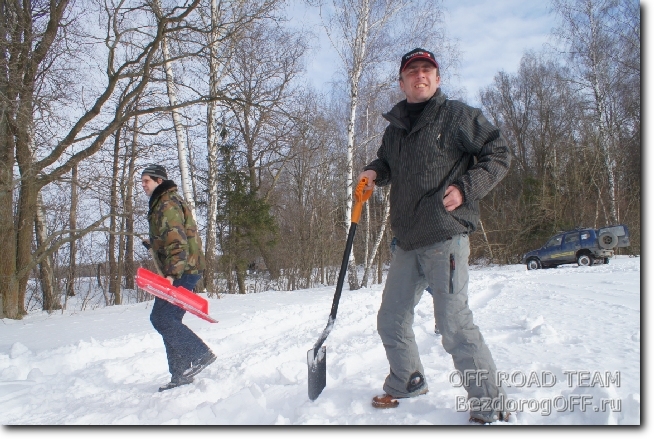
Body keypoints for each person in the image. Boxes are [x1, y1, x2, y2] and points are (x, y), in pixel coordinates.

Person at [358, 48, 512, 423]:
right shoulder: (395, 130)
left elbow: (499, 152)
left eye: (427, 70)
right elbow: (387, 162)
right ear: (402, 82)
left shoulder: (456, 115)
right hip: (407, 242)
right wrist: (374, 172)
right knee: (391, 317)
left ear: (437, 79)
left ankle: (489, 405)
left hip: (446, 237)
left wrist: (467, 186)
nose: (420, 75)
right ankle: (407, 380)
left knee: (453, 324)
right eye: (412, 71)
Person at [140, 164, 215, 392]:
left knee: (161, 318)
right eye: (142, 182)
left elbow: (177, 241)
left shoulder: (166, 204)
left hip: (182, 270)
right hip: (186, 267)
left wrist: (172, 274)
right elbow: (172, 236)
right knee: (169, 319)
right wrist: (153, 244)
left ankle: (199, 353)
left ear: (159, 182)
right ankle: (180, 374)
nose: (143, 186)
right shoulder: (166, 202)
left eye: (146, 181)